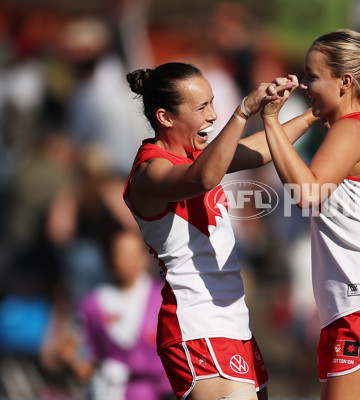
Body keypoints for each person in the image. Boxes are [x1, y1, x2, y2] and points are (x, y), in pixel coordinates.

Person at [122, 62, 318, 400]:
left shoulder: (199, 156)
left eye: (214, 103)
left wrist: (318, 112)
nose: (213, 115)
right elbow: (203, 178)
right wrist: (242, 111)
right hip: (197, 325)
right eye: (202, 108)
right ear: (165, 118)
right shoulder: (149, 171)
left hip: (232, 323)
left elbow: (263, 149)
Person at [260, 29, 360, 400]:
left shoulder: (352, 128)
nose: (304, 84)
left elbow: (306, 192)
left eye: (312, 76)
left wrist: (271, 121)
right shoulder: (353, 127)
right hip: (359, 310)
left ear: (345, 82)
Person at [58, 228, 173, 400]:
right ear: (109, 257)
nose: (128, 261)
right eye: (122, 254)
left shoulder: (163, 297)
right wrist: (80, 368)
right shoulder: (93, 303)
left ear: (144, 257)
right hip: (108, 393)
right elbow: (68, 349)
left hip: (158, 394)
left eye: (134, 254)